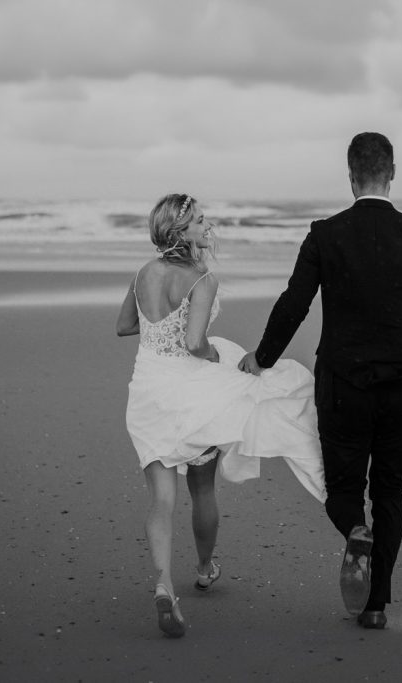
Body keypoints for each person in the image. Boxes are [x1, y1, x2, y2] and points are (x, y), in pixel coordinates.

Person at [239, 132, 402, 630]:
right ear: (393, 172)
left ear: (350, 175)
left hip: (343, 388)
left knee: (342, 489)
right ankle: (377, 604)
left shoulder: (325, 234)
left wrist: (263, 356)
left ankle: (354, 531)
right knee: (391, 492)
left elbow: (294, 302)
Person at [116, 193, 326, 638]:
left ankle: (163, 585)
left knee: (161, 499)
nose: (207, 226)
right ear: (180, 231)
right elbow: (195, 344)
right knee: (203, 489)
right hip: (191, 392)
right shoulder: (200, 278)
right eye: (199, 220)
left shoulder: (143, 273)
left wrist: (158, 325)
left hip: (149, 391)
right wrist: (216, 358)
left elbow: (125, 325)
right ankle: (206, 566)